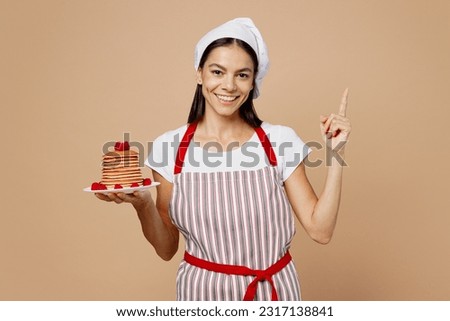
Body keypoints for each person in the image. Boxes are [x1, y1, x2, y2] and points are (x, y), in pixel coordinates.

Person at [95, 17, 351, 301]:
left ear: (253, 81)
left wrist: (335, 152)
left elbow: (321, 230)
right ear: (199, 73)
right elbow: (167, 248)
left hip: (274, 294)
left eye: (242, 75)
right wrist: (143, 204)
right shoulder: (170, 148)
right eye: (218, 72)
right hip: (202, 297)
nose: (229, 86)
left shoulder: (279, 141)